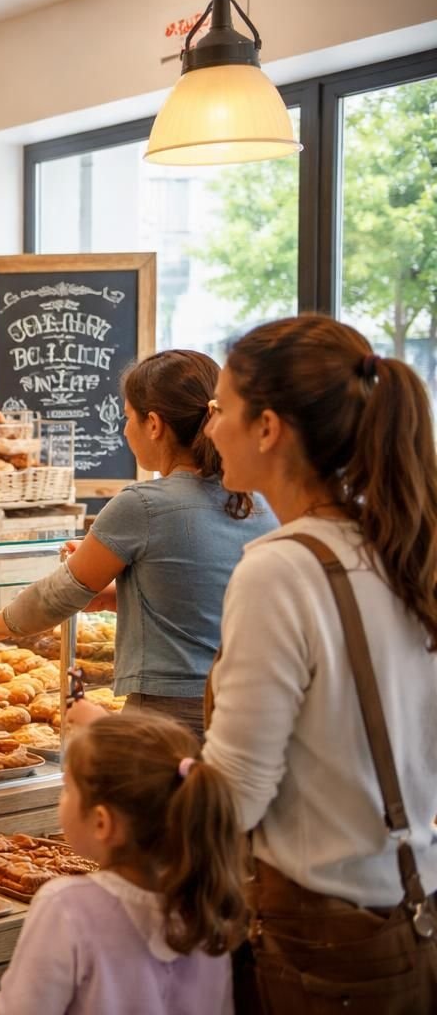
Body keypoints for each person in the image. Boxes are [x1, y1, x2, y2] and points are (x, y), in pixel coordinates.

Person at [197, 316, 437, 1010]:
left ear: (267, 427)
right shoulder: (398, 544)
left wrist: (119, 757)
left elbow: (239, 794)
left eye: (221, 409)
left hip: (321, 938)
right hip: (407, 902)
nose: (210, 428)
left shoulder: (281, 571)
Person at [0, 350, 275, 738]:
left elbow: (57, 596)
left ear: (153, 424)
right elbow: (204, 592)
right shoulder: (255, 498)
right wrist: (123, 595)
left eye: (127, 417)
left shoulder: (142, 505)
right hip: (249, 706)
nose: (124, 430)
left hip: (169, 713)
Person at [0, 713, 247, 1015]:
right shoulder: (207, 902)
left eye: (67, 789)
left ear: (102, 822)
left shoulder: (66, 906)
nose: (62, 798)